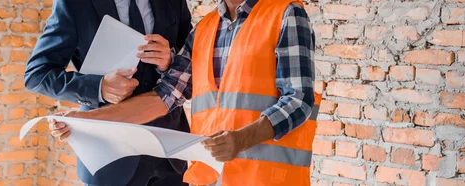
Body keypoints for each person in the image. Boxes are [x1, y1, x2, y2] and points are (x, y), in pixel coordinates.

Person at [47, 0, 318, 185]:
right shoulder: (205, 29)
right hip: (212, 176)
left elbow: (298, 99)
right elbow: (163, 98)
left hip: (266, 179)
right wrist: (85, 121)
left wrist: (240, 139)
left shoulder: (286, 13)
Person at [24, 0, 192, 185]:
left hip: (169, 152)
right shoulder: (73, 4)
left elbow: (191, 60)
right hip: (108, 156)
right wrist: (99, 87)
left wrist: (170, 60)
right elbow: (37, 75)